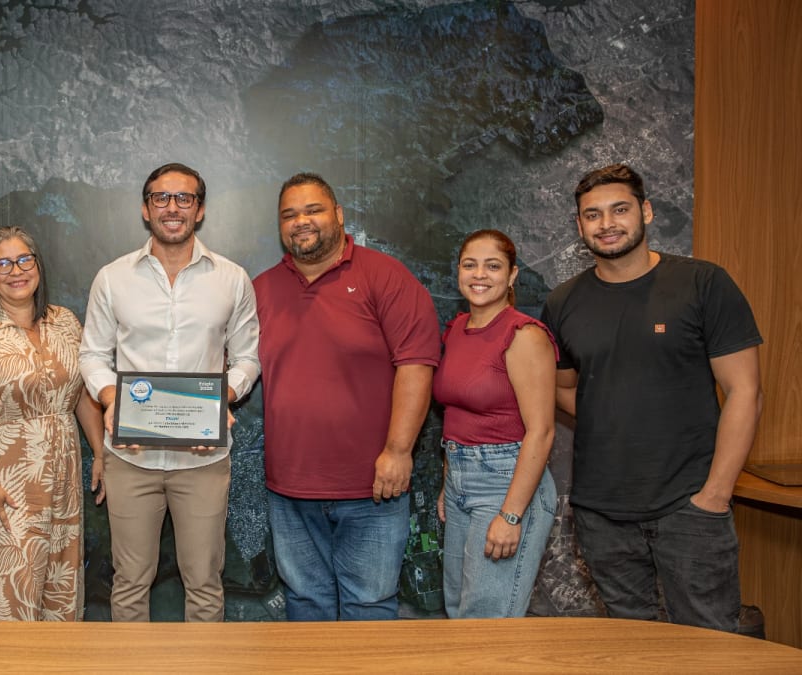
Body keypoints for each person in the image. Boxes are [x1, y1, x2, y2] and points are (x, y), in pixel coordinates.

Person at [541, 163, 763, 632]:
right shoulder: (562, 302)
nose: (607, 224)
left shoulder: (702, 284)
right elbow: (561, 387)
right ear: (579, 225)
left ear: (646, 211)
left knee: (709, 645)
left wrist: (715, 495)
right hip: (601, 512)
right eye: (593, 215)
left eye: (619, 209)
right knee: (632, 647)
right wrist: (612, 414)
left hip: (690, 506)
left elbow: (745, 391)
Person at [253, 172, 440, 620]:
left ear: (338, 214)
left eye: (313, 210)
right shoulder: (260, 289)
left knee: (369, 607)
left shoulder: (385, 276)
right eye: (289, 214)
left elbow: (416, 365)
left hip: (372, 488)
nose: (301, 221)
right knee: (304, 605)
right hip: (289, 488)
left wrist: (398, 451)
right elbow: (229, 366)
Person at [79, 162, 261, 622]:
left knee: (204, 583)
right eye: (161, 198)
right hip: (130, 457)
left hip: (203, 460)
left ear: (200, 210)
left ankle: (202, 662)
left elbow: (247, 360)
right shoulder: (112, 278)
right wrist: (111, 400)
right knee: (129, 582)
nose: (172, 207)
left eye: (184, 198)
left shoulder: (232, 278)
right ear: (146, 209)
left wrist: (221, 400)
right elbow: (92, 355)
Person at [0, 226, 105, 621]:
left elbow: (81, 395)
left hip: (64, 483)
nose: (15, 271)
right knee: (10, 592)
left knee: (60, 594)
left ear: (38, 265)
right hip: (7, 484)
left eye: (23, 260)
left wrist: (101, 452)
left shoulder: (65, 322)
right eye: (2, 263)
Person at [432, 229, 557, 618]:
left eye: (493, 266)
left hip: (505, 483)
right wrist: (449, 482)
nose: (479, 275)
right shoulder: (457, 329)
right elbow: (455, 414)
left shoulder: (523, 335)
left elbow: (542, 431)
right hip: (460, 481)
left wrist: (511, 514)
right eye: (470, 265)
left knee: (487, 619)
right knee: (458, 609)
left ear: (512, 275)